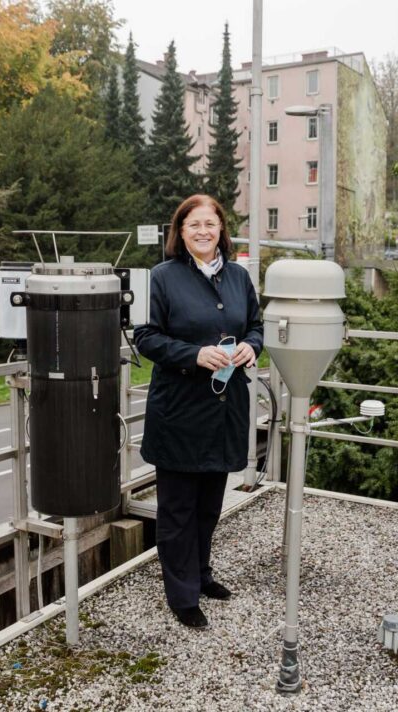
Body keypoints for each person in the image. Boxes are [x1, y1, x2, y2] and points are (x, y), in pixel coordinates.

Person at [134, 194, 263, 629]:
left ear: (221, 228)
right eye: (194, 225)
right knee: (177, 511)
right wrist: (194, 354)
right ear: (181, 231)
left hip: (224, 411)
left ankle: (201, 574)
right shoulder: (162, 277)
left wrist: (252, 347)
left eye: (210, 223)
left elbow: (256, 326)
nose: (204, 231)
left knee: (209, 505)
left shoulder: (239, 277)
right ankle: (182, 594)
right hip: (179, 412)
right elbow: (146, 337)